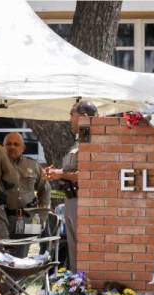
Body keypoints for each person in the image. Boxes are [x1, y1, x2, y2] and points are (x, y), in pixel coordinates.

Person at [44, 100, 97, 272]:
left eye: (71, 115)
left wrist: (61, 174)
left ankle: (83, 286)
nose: (70, 120)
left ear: (83, 117)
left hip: (83, 201)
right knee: (74, 249)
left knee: (82, 248)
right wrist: (58, 172)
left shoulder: (93, 139)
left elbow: (89, 175)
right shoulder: (79, 141)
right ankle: (77, 284)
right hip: (71, 199)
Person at [3, 132, 51, 257]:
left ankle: (45, 270)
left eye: (16, 144)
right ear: (3, 146)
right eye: (8, 144)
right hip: (4, 218)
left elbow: (45, 190)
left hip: (27, 218)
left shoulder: (33, 165)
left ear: (23, 148)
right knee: (3, 255)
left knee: (22, 254)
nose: (12, 147)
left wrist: (42, 215)